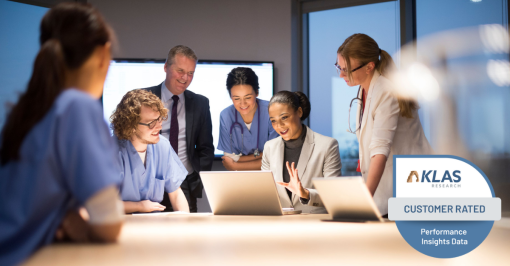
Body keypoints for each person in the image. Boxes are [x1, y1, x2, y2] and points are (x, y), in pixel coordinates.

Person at [0, 3, 123, 265]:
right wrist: (79, 227)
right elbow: (109, 223)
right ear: (103, 55)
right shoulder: (77, 107)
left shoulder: (24, 111)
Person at [336, 33, 433, 216]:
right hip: (388, 188)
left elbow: (380, 150)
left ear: (369, 66)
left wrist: (363, 203)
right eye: (339, 67)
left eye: (346, 69)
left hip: (410, 186)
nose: (341, 74)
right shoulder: (364, 89)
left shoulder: (386, 90)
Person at [142, 45, 214, 213]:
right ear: (166, 67)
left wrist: (197, 179)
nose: (185, 78)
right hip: (149, 180)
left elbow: (206, 148)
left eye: (191, 73)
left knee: (187, 235)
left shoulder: (200, 103)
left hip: (184, 181)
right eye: (180, 70)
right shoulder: (143, 98)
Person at [110, 89, 190, 213]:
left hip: (154, 225)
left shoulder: (162, 146)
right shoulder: (111, 151)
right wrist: (139, 206)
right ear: (131, 126)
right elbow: (101, 206)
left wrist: (185, 221)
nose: (159, 126)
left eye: (159, 119)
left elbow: (176, 194)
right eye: (151, 123)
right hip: (120, 224)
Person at [261, 91, 342, 213]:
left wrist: (305, 193)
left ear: (299, 112)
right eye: (273, 121)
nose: (279, 125)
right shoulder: (269, 147)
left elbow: (333, 194)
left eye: (284, 117)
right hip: (279, 225)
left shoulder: (327, 145)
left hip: (314, 224)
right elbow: (266, 192)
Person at [218, 67, 278, 170]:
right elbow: (228, 158)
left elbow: (275, 157)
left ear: (257, 92)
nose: (242, 104)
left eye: (248, 97)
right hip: (239, 178)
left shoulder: (271, 111)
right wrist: (262, 156)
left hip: (270, 176)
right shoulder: (226, 115)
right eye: (236, 98)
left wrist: (236, 164)